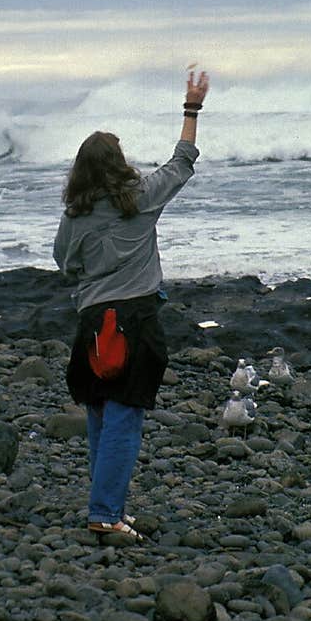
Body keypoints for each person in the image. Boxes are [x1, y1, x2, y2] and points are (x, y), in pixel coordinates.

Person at [52, 65, 210, 542]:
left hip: (93, 320)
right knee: (123, 415)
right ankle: (104, 514)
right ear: (119, 163)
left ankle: (105, 508)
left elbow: (64, 264)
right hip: (135, 321)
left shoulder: (75, 216)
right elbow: (182, 162)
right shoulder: (140, 198)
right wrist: (192, 106)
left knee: (101, 412)